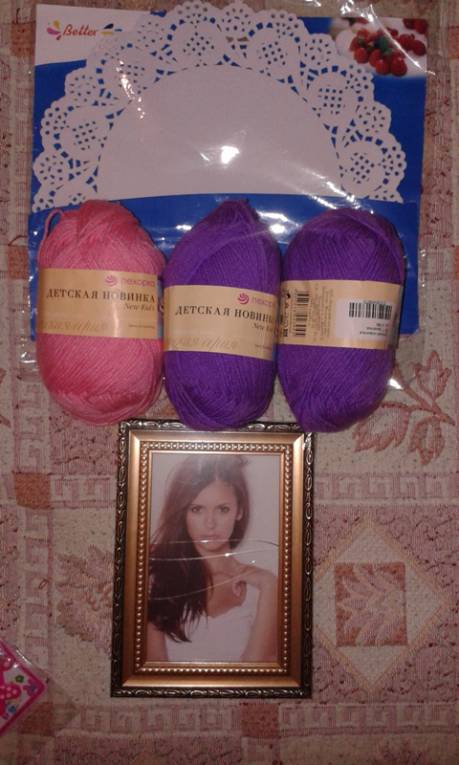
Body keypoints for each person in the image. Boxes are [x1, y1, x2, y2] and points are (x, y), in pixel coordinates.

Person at [147, 454, 278, 663]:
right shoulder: (157, 580)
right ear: (183, 513)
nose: (210, 523)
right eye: (197, 509)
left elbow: (256, 673)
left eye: (222, 509)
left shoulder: (264, 588)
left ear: (239, 511)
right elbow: (153, 671)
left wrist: (270, 585)